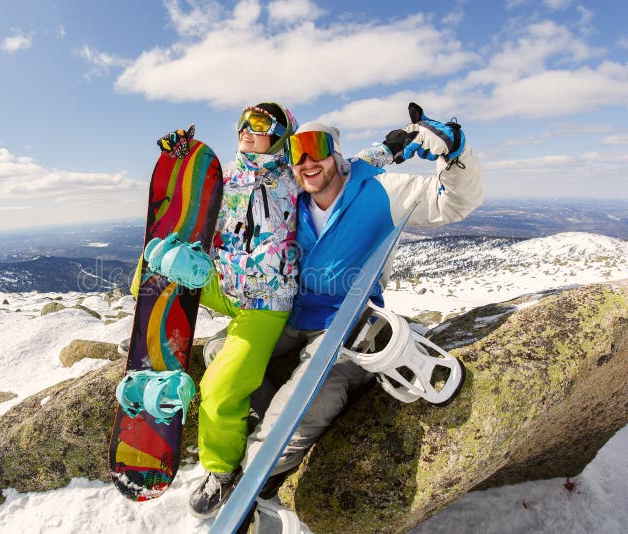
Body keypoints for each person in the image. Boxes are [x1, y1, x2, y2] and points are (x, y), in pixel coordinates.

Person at [235, 103, 484, 496]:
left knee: (304, 403)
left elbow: (452, 203)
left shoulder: (381, 190)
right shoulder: (291, 201)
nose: (306, 162)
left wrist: (455, 151)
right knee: (221, 352)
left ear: (336, 154)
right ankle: (273, 422)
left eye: (316, 148)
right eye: (295, 154)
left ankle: (257, 472)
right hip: (291, 318)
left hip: (344, 325)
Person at [134, 103, 302, 518]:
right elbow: (189, 208)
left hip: (266, 301)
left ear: (280, 134)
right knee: (154, 262)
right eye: (244, 122)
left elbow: (277, 257)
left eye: (260, 124)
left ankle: (221, 470)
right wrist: (182, 163)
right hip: (224, 285)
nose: (247, 129)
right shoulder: (227, 176)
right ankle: (148, 328)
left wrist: (407, 144)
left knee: (218, 389)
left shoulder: (294, 177)